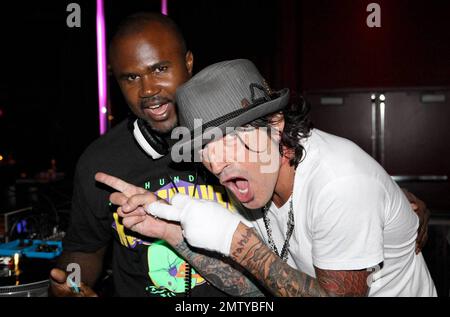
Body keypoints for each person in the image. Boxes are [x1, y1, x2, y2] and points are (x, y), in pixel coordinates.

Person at [97, 59, 436, 296]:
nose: (216, 162)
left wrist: (238, 244)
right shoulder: (250, 178)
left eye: (228, 138)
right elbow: (258, 286)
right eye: (204, 147)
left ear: (275, 126)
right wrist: (171, 232)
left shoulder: (339, 183)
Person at [49, 13, 260, 297]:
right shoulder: (99, 162)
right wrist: (71, 283)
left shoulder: (239, 139)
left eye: (160, 69)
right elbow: (84, 248)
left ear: (188, 63)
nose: (148, 90)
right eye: (132, 77)